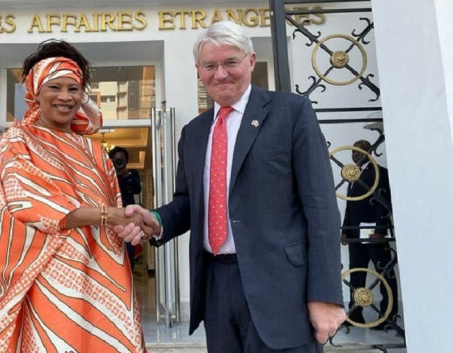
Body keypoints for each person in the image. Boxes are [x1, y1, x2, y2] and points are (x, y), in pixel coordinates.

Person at [116, 21, 345, 352]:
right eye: (210, 66)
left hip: (282, 288)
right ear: (199, 71)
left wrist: (325, 295)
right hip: (217, 285)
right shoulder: (193, 133)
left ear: (250, 61)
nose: (220, 74)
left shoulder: (291, 113)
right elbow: (188, 202)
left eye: (230, 63)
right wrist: (156, 219)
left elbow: (321, 207)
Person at [0, 39, 149, 353]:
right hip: (47, 283)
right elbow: (27, 204)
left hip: (106, 280)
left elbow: (115, 213)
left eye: (74, 89)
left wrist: (132, 224)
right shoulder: (16, 142)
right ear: (35, 91)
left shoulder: (96, 152)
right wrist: (109, 215)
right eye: (54, 87)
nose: (65, 97)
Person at [341, 139, 398, 328]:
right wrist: (345, 229)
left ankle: (388, 316)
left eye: (358, 152)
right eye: (353, 152)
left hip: (373, 233)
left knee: (384, 272)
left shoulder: (380, 173)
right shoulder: (353, 174)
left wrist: (380, 230)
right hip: (356, 233)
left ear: (368, 152)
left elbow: (384, 201)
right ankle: (355, 314)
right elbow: (350, 204)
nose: (354, 155)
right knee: (356, 273)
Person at [109, 146, 142, 269]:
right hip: (112, 220)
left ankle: (129, 283)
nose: (119, 162)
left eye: (121, 159)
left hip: (129, 220)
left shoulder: (132, 174)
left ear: (126, 161)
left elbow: (137, 189)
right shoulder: (109, 176)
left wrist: (126, 175)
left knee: (129, 254)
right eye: (116, 160)